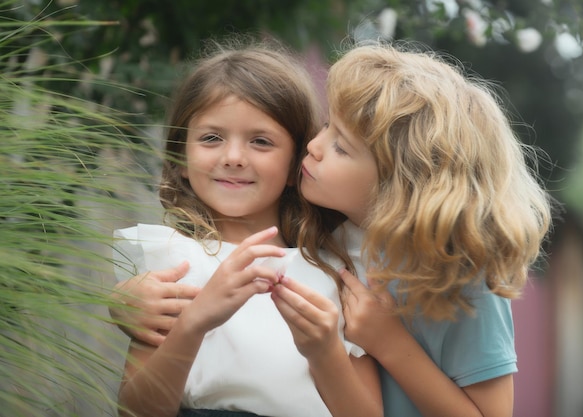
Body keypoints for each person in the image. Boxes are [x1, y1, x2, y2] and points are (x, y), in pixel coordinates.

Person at [111, 42, 552, 417]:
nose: (315, 147)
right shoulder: (336, 252)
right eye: (325, 127)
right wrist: (122, 304)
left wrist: (384, 341)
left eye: (339, 144)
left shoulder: (419, 273)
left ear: (399, 181)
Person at [111, 38, 382, 417]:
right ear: (181, 157)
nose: (234, 157)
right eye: (211, 138)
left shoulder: (338, 270)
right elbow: (133, 411)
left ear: (295, 166)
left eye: (260, 141)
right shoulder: (171, 265)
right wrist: (194, 321)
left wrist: (325, 354)